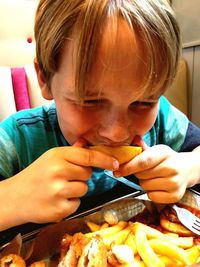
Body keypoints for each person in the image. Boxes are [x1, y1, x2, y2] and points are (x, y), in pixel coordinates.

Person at [0, 0, 200, 232]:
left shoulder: (162, 121)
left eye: (143, 102)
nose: (117, 133)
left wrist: (189, 168)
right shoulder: (16, 141)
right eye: (90, 101)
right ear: (44, 78)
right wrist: (11, 199)